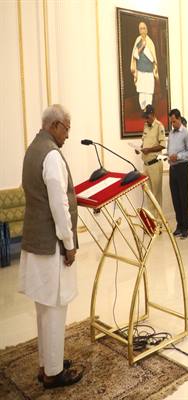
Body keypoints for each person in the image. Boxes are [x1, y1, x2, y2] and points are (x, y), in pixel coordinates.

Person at [19, 104, 84, 388]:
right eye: (66, 129)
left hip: (35, 243)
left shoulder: (33, 149)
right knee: (55, 309)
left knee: (44, 309)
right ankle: (54, 374)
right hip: (51, 246)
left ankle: (47, 364)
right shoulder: (52, 156)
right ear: (55, 125)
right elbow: (59, 205)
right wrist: (69, 244)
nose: (67, 135)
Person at [167, 109, 188, 239]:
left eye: (174, 121)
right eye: (171, 122)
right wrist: (168, 156)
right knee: (175, 198)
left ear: (179, 119)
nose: (172, 124)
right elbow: (169, 149)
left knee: (183, 198)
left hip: (182, 167)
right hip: (172, 168)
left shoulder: (186, 133)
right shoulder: (171, 134)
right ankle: (179, 225)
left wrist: (177, 156)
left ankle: (185, 227)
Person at [137, 105, 166, 213]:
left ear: (153, 114)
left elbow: (162, 145)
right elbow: (144, 142)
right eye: (145, 117)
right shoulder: (146, 126)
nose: (146, 119)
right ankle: (151, 219)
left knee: (156, 194)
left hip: (155, 164)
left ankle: (159, 219)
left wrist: (148, 150)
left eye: (147, 116)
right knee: (148, 194)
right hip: (146, 165)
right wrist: (140, 148)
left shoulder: (159, 126)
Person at [130, 21, 159, 110]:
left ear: (146, 30)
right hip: (140, 70)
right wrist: (142, 47)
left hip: (149, 71)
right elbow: (135, 55)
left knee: (149, 91)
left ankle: (148, 109)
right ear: (139, 30)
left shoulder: (150, 42)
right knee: (142, 91)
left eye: (144, 28)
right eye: (141, 29)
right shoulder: (138, 40)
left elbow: (153, 58)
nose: (142, 30)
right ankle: (143, 109)